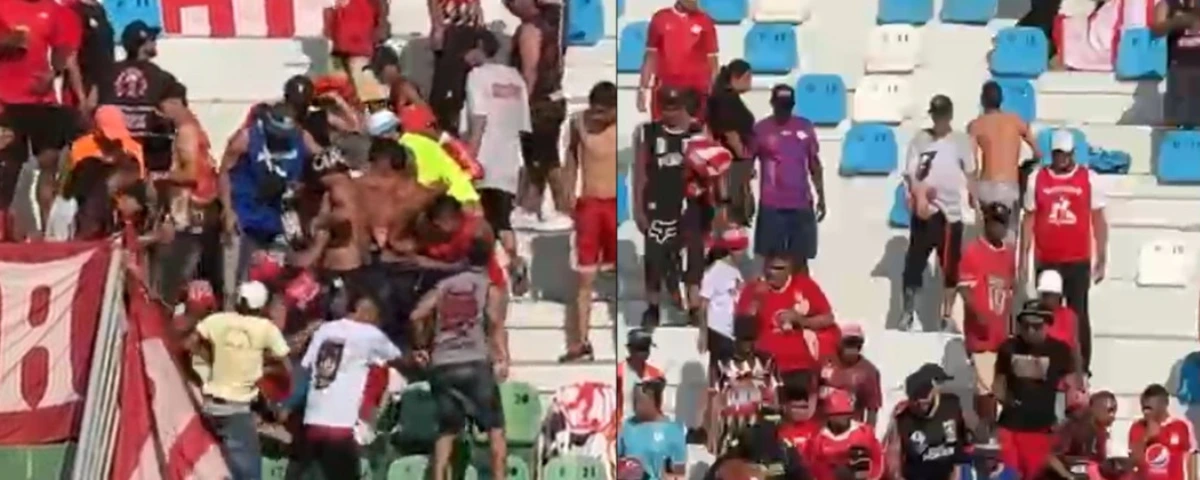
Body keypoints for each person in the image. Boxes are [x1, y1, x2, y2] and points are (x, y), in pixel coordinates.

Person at [410, 239, 510, 480]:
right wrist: (502, 357)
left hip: (443, 364)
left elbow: (416, 315)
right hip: (474, 363)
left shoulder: (444, 286)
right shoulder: (488, 286)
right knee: (496, 432)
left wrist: (420, 346)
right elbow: (495, 323)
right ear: (488, 260)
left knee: (446, 432)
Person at [1019, 128, 1108, 374]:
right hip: (1047, 258)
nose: (1062, 159)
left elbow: (1098, 219)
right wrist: (1023, 259)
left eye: (1066, 154)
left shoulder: (1089, 178)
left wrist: (1102, 256)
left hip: (1077, 258)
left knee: (1078, 312)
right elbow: (1029, 219)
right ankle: (1044, 361)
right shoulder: (1037, 178)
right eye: (1058, 154)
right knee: (1045, 312)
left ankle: (1082, 366)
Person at [287, 293, 403, 479]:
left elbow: (307, 365)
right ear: (365, 312)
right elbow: (399, 359)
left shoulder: (324, 330)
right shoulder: (370, 334)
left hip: (312, 422)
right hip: (341, 427)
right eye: (375, 317)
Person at [184, 281, 291, 480]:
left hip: (211, 405)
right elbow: (285, 365)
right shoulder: (266, 328)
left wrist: (212, 361)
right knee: (250, 473)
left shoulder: (218, 320)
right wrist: (261, 369)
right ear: (262, 306)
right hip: (236, 409)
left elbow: (189, 344)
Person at [461, 28, 532, 296]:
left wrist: (467, 161)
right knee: (502, 218)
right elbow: (523, 126)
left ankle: (487, 273)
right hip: (510, 159)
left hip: (483, 158)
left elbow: (479, 121)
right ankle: (514, 259)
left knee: (479, 218)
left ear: (479, 47)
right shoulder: (516, 79)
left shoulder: (476, 77)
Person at [900, 94, 977, 332]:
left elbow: (971, 172)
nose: (939, 120)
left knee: (951, 266)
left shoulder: (961, 141)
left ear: (950, 116)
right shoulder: (920, 140)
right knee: (914, 263)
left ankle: (946, 315)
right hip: (926, 210)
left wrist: (974, 201)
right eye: (935, 115)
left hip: (951, 213)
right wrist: (919, 197)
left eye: (942, 115)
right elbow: (911, 174)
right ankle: (907, 312)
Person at [220, 101, 322, 279]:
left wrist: (305, 189)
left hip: (282, 217)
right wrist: (227, 210)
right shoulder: (246, 138)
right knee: (242, 276)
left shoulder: (302, 138)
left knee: (279, 275)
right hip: (246, 215)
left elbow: (324, 163)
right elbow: (224, 173)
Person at [0, 0, 81, 213]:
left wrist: (52, 74)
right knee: (8, 167)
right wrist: (7, 42)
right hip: (6, 101)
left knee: (49, 163)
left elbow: (63, 51)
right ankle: (4, 229)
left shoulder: (53, 10)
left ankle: (49, 234)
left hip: (42, 101)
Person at [634, 86, 704, 327]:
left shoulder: (698, 131)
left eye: (675, 107)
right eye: (666, 107)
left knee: (693, 253)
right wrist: (638, 208)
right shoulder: (648, 133)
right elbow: (640, 172)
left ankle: (694, 306)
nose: (670, 113)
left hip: (690, 203)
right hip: (658, 202)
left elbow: (714, 167)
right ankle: (653, 306)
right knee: (654, 256)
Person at [559, 81, 618, 361]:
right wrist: (568, 191)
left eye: (603, 113)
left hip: (616, 203)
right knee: (584, 277)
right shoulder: (578, 123)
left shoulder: (624, 126)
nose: (596, 118)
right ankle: (580, 341)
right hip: (590, 203)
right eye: (593, 111)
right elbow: (570, 157)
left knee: (620, 271)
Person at [507, 0, 573, 231]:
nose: (510, 7)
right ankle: (531, 208)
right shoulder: (554, 28)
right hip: (554, 98)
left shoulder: (531, 29)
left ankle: (565, 210)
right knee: (541, 161)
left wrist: (521, 107)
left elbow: (530, 72)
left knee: (545, 161)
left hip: (538, 103)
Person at [957, 202, 1016, 443]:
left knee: (1000, 387)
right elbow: (965, 289)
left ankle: (992, 430)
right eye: (994, 222)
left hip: (1002, 333)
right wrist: (977, 315)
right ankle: (986, 434)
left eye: (1002, 224)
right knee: (986, 389)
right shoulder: (973, 251)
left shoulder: (1009, 253)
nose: (998, 228)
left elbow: (1010, 291)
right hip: (981, 336)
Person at [994, 304, 1076, 480]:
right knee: (1007, 475)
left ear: (1048, 324)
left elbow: (1071, 386)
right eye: (1025, 326)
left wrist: (1063, 418)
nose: (1030, 331)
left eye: (1036, 326)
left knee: (1034, 475)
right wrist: (1006, 401)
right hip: (1010, 426)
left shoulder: (1060, 350)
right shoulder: (1008, 347)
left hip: (1040, 428)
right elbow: (999, 383)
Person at [752, 84, 826, 275]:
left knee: (801, 259)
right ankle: (770, 303)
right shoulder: (761, 129)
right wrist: (745, 196)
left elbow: (814, 164)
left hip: (801, 203)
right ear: (772, 104)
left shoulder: (805, 127)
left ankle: (803, 301)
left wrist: (821, 196)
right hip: (772, 204)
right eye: (780, 105)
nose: (783, 110)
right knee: (771, 261)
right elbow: (747, 165)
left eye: (787, 106)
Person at [155, 92, 220, 304]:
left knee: (172, 283)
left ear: (174, 103)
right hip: (199, 212)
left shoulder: (186, 133)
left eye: (161, 109)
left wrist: (158, 177)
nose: (158, 115)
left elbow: (191, 175)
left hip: (188, 214)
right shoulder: (197, 130)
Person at [98, 21, 179, 178]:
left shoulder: (107, 73)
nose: (155, 42)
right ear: (143, 44)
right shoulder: (161, 78)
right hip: (148, 156)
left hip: (109, 150)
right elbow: (175, 115)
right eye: (152, 39)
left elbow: (91, 106)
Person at [734, 253, 838, 374]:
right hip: (766, 368)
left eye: (779, 268)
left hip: (801, 366)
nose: (772, 273)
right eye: (769, 268)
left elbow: (828, 318)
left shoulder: (805, 286)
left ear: (789, 269)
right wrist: (756, 301)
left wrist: (801, 320)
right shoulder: (752, 289)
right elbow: (741, 331)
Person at [967, 81, 1041, 226]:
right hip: (1009, 186)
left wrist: (971, 190)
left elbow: (971, 161)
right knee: (1009, 236)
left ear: (982, 100)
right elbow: (1038, 152)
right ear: (1001, 100)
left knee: (989, 236)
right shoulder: (1015, 120)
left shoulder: (976, 125)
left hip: (987, 186)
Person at [884, 364, 969, 480]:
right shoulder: (902, 418)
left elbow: (960, 450)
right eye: (915, 398)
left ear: (934, 391)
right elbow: (893, 464)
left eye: (924, 396)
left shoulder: (951, 406)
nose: (920, 402)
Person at [638, 0, 718, 122]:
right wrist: (643, 88)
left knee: (695, 132)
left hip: (696, 90)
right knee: (662, 131)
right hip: (666, 88)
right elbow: (650, 56)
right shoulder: (660, 19)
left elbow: (712, 60)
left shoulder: (705, 21)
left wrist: (715, 92)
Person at [711, 317, 779, 454]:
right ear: (735, 339)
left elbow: (776, 398)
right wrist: (712, 436)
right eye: (744, 340)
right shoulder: (722, 364)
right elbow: (716, 400)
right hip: (730, 425)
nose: (748, 345)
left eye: (752, 339)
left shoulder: (767, 361)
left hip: (759, 427)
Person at [707, 59, 756, 225]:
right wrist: (743, 154)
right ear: (736, 77)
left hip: (734, 164)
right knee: (733, 211)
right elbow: (730, 133)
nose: (750, 82)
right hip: (732, 164)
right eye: (748, 77)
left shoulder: (726, 97)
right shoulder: (726, 99)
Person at [426, 0, 484, 132]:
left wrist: (480, 43)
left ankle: (458, 124)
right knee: (445, 90)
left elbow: (478, 17)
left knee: (466, 90)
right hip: (449, 39)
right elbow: (436, 16)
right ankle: (442, 124)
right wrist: (437, 30)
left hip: (468, 40)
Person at [618, 378, 689, 480]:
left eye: (639, 401)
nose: (635, 406)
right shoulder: (627, 427)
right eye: (634, 401)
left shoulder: (674, 431)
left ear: (653, 401)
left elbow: (679, 473)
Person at [806, 389, 884, 480]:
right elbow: (810, 468)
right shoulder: (816, 440)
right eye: (836, 415)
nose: (841, 418)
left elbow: (878, 461)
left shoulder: (865, 433)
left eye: (844, 414)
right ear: (828, 416)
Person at [1129, 384, 1198, 480]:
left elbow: (1191, 459)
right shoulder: (1137, 427)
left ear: (1164, 404)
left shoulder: (1182, 426)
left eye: (1149, 408)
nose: (1145, 412)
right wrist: (1146, 437)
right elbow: (1133, 461)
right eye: (1143, 408)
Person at [324, 0, 388, 104]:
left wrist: (381, 24)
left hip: (358, 46)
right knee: (340, 91)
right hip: (339, 47)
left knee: (364, 90)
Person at [818, 324, 882, 427]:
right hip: (822, 426)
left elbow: (872, 408)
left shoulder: (868, 371)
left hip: (851, 428)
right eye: (847, 344)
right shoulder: (825, 362)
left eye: (855, 345)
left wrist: (868, 435)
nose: (851, 350)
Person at [1045, 391, 1117, 479]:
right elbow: (1049, 456)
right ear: (1096, 408)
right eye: (1110, 410)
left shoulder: (1101, 433)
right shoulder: (1072, 425)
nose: (1113, 416)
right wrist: (1069, 476)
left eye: (1115, 411)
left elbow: (1100, 462)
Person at [1150, 0, 1200, 128]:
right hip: (1179, 66)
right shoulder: (1167, 5)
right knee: (1178, 113)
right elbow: (1156, 29)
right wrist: (1176, 22)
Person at [1037, 271, 1085, 375]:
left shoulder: (1069, 316)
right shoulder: (1035, 314)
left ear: (1058, 296)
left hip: (1063, 371)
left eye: (1049, 295)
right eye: (1044, 295)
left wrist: (1079, 375)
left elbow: (1075, 348)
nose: (1046, 299)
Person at [618, 328, 666, 422]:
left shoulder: (656, 374)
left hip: (647, 424)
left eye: (646, 348)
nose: (644, 353)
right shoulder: (619, 373)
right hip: (623, 424)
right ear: (630, 349)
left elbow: (657, 408)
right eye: (640, 349)